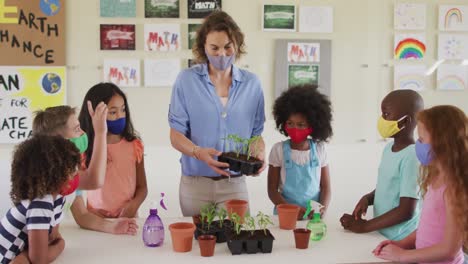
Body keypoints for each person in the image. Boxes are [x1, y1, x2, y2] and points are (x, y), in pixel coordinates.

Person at [168, 11, 266, 216]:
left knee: (235, 242)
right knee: (199, 245)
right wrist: (197, 152)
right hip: (195, 185)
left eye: (228, 46)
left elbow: (256, 134)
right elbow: (176, 134)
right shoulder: (186, 80)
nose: (222, 54)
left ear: (237, 45)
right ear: (203, 47)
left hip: (234, 184)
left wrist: (259, 153)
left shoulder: (252, 84)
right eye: (214, 48)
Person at [374, 105, 467, 264]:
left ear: (443, 143)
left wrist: (402, 256)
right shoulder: (435, 178)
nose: (418, 144)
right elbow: (427, 226)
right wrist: (401, 244)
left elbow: (449, 250)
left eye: (422, 139)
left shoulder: (454, 188)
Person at [340, 90, 424, 241]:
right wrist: (368, 198)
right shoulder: (388, 148)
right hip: (381, 232)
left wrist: (364, 227)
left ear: (405, 122)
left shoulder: (412, 156)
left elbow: (406, 211)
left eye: (386, 115)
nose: (382, 120)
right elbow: (389, 185)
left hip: (400, 238)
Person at [0, 135, 80, 263]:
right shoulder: (40, 204)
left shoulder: (58, 199)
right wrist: (61, 245)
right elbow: (39, 260)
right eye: (71, 170)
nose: (76, 174)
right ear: (54, 174)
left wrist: (29, 255)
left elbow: (51, 238)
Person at [78, 83, 147, 220]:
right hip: (96, 220)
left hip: (128, 219)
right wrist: (91, 214)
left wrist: (132, 207)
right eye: (113, 112)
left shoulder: (134, 145)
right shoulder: (85, 148)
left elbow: (142, 187)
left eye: (123, 110)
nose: (120, 116)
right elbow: (76, 189)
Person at [268, 85, 332, 219]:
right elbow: (272, 190)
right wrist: (289, 209)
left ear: (313, 125)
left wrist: (322, 209)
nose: (295, 128)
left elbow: (326, 188)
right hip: (285, 215)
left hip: (313, 217)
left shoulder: (320, 149)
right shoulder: (278, 150)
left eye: (301, 124)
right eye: (290, 123)